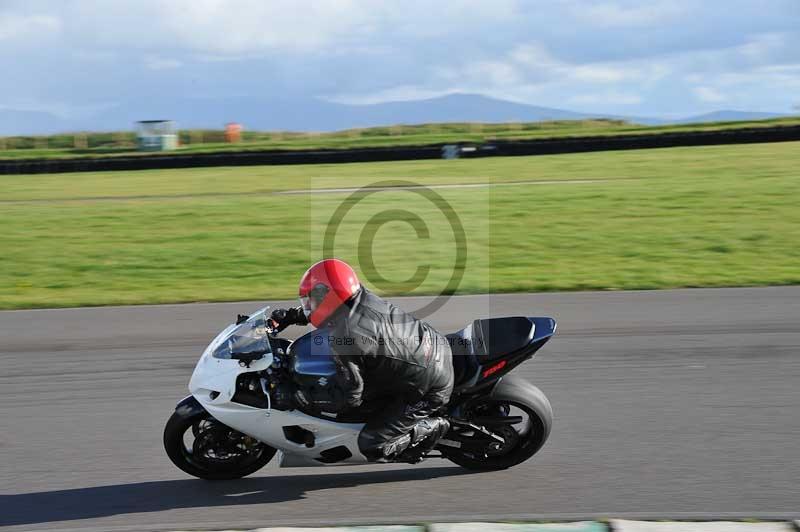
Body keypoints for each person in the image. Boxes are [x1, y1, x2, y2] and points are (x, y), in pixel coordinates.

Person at [270, 258, 454, 462]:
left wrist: (298, 397)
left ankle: (437, 426)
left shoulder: (348, 338)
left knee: (372, 445)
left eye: (310, 300)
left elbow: (349, 398)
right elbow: (329, 307)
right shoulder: (357, 296)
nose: (307, 306)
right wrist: (290, 316)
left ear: (329, 297)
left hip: (429, 388)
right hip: (431, 348)